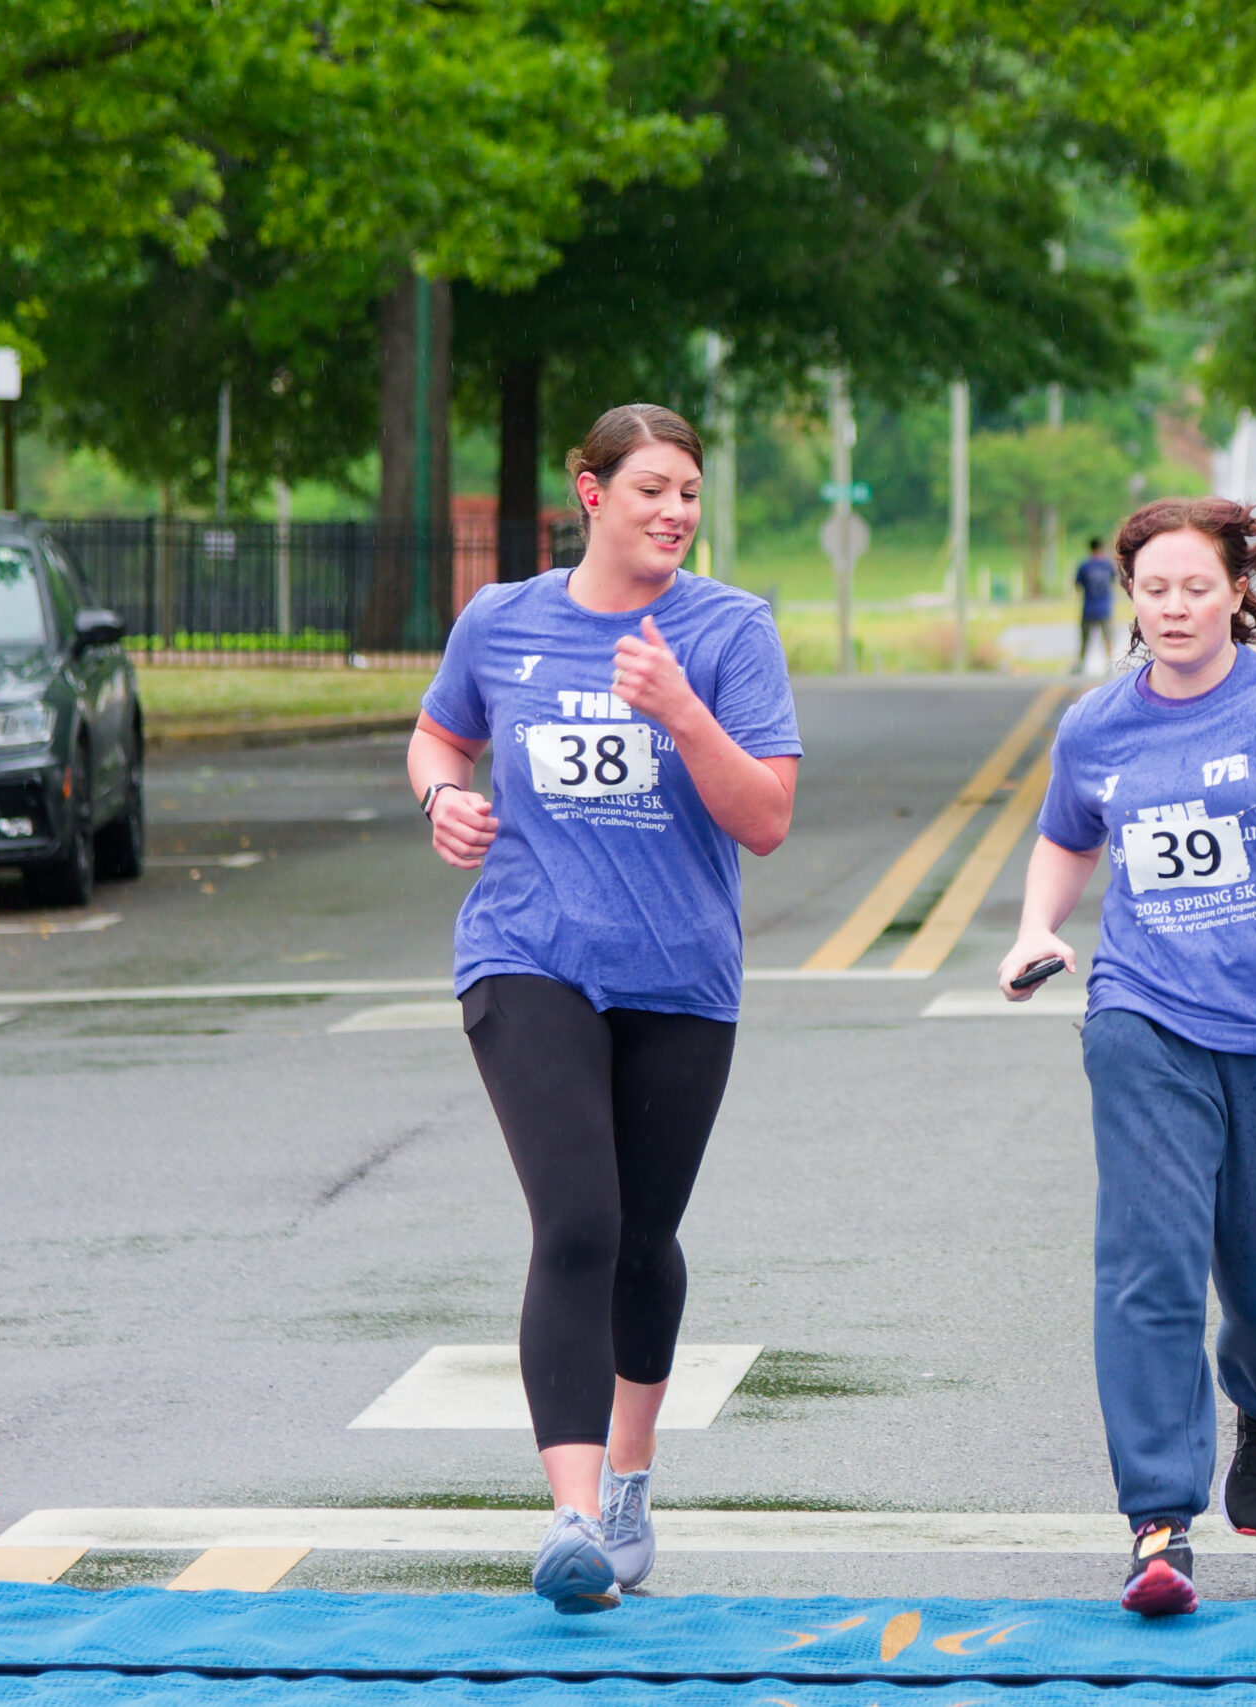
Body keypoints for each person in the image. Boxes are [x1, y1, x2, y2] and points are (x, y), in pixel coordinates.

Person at [408, 403, 802, 1614]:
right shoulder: (502, 620)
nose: (675, 512)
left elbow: (766, 819)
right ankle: (572, 1517)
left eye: (689, 491)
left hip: (678, 972)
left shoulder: (729, 631)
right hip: (528, 953)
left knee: (641, 1238)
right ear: (590, 494)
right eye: (650, 490)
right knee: (576, 1223)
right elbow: (438, 737)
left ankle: (629, 1475)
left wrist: (680, 709)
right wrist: (442, 801)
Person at [997, 495, 1256, 1618]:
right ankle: (1158, 1521)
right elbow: (1066, 838)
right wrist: (1035, 929)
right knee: (1150, 1263)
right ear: (1129, 597)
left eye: (1195, 587)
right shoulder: (1096, 726)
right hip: (1143, 1013)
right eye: (1154, 589)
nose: (1173, 607)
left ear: (1234, 593)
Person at [1075, 538, 1119, 673]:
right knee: (1107, 638)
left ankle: (1081, 664)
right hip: (1104, 608)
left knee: (1085, 639)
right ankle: (1110, 664)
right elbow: (1113, 580)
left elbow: (1078, 585)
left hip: (1088, 608)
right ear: (1101, 548)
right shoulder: (1107, 565)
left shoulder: (1084, 566)